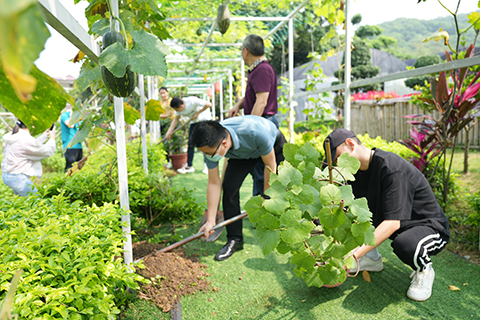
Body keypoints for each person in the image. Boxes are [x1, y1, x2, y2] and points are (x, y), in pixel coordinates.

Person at [323, 128, 450, 302]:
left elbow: (392, 224)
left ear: (350, 144)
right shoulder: (355, 173)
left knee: (405, 245)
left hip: (429, 227)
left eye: (337, 158)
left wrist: (352, 257)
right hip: (400, 225)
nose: (337, 165)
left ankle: (424, 269)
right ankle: (372, 258)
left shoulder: (391, 168)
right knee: (354, 213)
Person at [190, 116, 286, 261]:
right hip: (242, 154)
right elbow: (214, 183)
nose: (208, 157)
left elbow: (270, 166)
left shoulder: (255, 132)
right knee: (229, 189)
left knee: (281, 188)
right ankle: (235, 240)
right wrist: (211, 220)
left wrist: (267, 196)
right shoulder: (211, 145)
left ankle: (285, 228)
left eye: (209, 154)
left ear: (224, 143)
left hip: (271, 146)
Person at [227, 34, 279, 197]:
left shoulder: (262, 70)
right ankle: (260, 207)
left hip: (263, 124)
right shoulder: (258, 69)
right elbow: (254, 97)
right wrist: (238, 105)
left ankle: (263, 210)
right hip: (262, 122)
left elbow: (261, 102)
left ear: (245, 51)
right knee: (258, 172)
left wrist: (249, 126)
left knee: (262, 174)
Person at [1, 119, 56, 196]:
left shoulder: (15, 135)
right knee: (35, 201)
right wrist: (52, 138)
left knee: (23, 201)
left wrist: (44, 136)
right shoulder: (25, 139)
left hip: (8, 175)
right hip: (17, 178)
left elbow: (31, 146)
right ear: (32, 126)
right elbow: (46, 151)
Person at [165, 96, 213, 174]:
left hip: (204, 121)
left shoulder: (192, 101)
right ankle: (189, 166)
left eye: (177, 110)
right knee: (190, 144)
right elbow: (176, 119)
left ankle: (206, 165)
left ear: (182, 106)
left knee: (204, 143)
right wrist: (169, 132)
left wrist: (198, 113)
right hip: (194, 122)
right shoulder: (178, 109)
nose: (177, 111)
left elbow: (209, 104)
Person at [60, 103, 83, 172]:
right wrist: (72, 112)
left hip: (79, 146)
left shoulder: (79, 118)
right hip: (70, 146)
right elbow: (71, 125)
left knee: (78, 170)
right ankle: (64, 182)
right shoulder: (64, 115)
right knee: (69, 169)